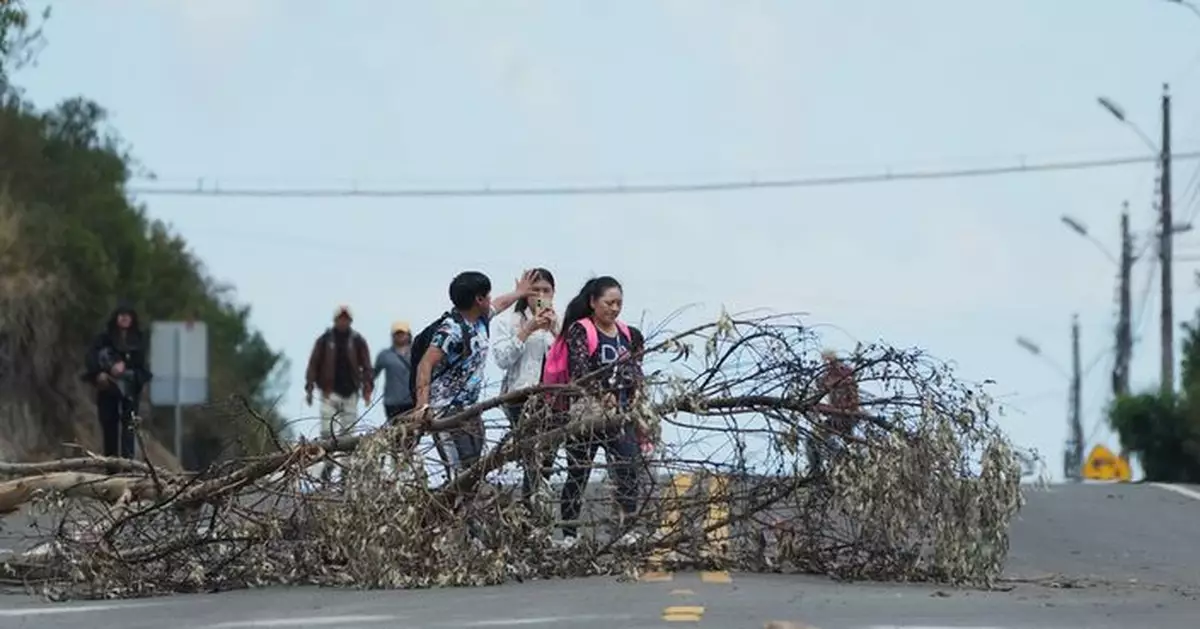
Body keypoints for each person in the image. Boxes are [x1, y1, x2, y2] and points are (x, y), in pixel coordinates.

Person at [412, 270, 537, 470]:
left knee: (474, 467)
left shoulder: (480, 320)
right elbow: (425, 364)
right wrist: (422, 405)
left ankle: (470, 501)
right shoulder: (451, 330)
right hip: (446, 412)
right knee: (459, 471)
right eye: (487, 295)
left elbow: (500, 304)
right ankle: (456, 501)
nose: (491, 299)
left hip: (470, 409)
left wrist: (519, 293)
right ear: (479, 299)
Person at [557, 276, 644, 546]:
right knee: (579, 471)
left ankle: (624, 529)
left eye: (619, 303)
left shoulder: (627, 334)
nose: (615, 308)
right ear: (593, 302)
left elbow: (633, 370)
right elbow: (580, 370)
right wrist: (601, 393)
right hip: (588, 414)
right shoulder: (581, 330)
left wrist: (635, 397)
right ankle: (570, 534)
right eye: (609, 303)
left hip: (620, 414)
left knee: (628, 468)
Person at [492, 267, 559, 504]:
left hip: (553, 398)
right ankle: (530, 513)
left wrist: (554, 330)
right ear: (524, 294)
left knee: (547, 459)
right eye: (534, 290)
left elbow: (568, 360)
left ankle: (537, 511)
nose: (540, 295)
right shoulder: (507, 322)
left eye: (546, 290)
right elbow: (502, 359)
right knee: (533, 455)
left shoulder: (560, 324)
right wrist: (527, 330)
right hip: (519, 396)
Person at [304, 305, 374, 481]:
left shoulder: (357, 340)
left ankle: (346, 469)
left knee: (348, 434)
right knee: (327, 431)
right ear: (335, 320)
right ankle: (328, 464)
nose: (343, 322)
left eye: (346, 319)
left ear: (350, 321)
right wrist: (310, 388)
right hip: (329, 392)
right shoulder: (325, 340)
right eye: (340, 319)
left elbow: (366, 366)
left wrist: (367, 388)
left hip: (350, 393)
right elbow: (313, 364)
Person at [82, 302, 153, 460]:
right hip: (108, 387)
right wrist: (100, 373)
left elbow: (140, 362)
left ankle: (129, 465)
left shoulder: (138, 339)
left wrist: (125, 366)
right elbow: (92, 357)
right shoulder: (104, 338)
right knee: (109, 427)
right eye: (121, 315)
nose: (124, 319)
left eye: (128, 316)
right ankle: (111, 465)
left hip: (130, 387)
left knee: (129, 427)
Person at [807, 349, 861, 477]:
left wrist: (844, 411)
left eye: (829, 362)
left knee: (844, 443)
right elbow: (821, 387)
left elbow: (854, 400)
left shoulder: (844, 374)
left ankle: (848, 468)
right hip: (835, 415)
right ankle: (816, 470)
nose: (827, 365)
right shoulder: (826, 376)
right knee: (812, 440)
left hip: (847, 416)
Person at [374, 320, 414, 422]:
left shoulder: (416, 352)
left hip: (412, 400)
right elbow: (373, 374)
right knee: (394, 433)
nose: (400, 336)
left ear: (408, 335)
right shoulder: (385, 355)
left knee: (412, 432)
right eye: (397, 334)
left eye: (402, 333)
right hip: (392, 402)